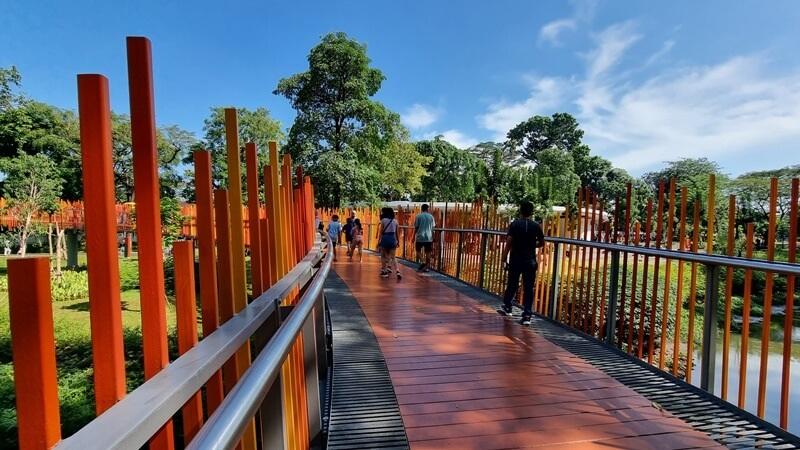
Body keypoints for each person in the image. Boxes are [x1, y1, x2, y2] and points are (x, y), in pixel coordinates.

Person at [497, 201, 545, 326]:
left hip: (516, 260)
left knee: (512, 284)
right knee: (529, 288)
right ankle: (527, 315)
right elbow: (542, 242)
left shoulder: (514, 225)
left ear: (520, 211)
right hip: (530, 261)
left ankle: (508, 306)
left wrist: (503, 259)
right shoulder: (536, 226)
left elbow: (508, 243)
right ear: (532, 212)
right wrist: (532, 245)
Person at [378, 207, 401, 280]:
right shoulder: (395, 221)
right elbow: (397, 233)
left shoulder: (383, 220)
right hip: (392, 238)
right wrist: (398, 241)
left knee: (383, 256)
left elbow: (381, 232)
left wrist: (379, 241)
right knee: (393, 257)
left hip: (385, 238)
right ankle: (397, 271)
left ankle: (384, 271)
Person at [414, 204, 436, 272]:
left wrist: (413, 236)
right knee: (428, 253)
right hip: (429, 237)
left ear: (421, 209)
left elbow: (416, 227)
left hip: (420, 236)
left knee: (418, 251)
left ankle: (423, 261)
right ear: (427, 209)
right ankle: (426, 267)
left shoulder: (418, 216)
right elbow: (433, 228)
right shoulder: (431, 217)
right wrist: (433, 237)